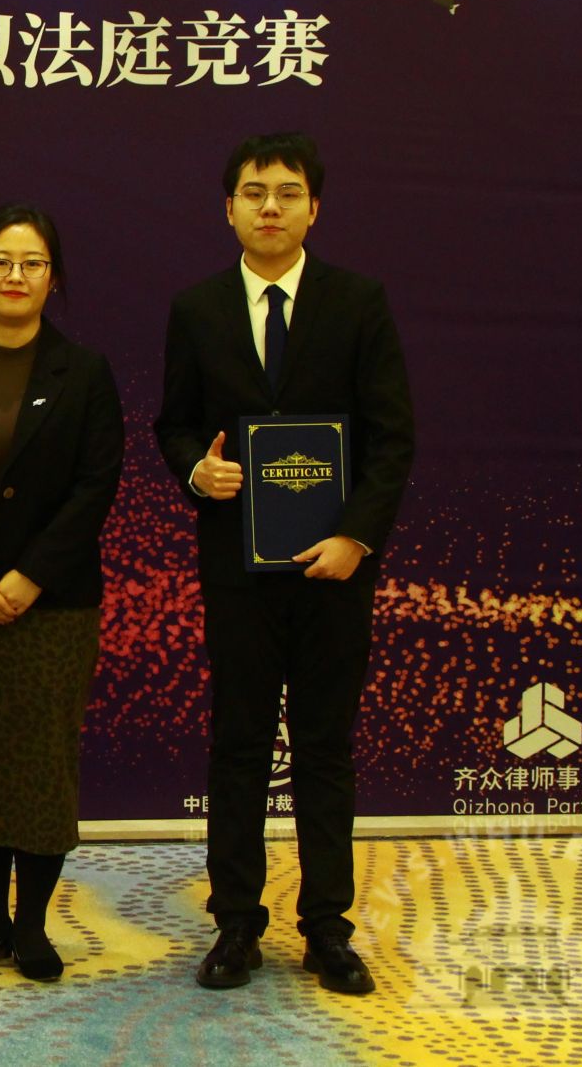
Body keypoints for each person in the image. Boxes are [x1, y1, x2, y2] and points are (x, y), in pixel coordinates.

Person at [153, 132, 414, 997]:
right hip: (238, 570)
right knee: (238, 746)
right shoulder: (198, 309)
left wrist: (356, 537)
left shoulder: (358, 302)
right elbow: (175, 425)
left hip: (333, 571)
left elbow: (391, 438)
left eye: (288, 192)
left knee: (324, 749)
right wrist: (198, 473)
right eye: (255, 192)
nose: (271, 206)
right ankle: (236, 924)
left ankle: (328, 928)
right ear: (228, 208)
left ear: (314, 208)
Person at [0, 204, 123, 982]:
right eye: (1, 262)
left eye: (32, 263)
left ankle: (33, 925)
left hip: (55, 603)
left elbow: (94, 486)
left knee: (42, 763)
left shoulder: (86, 372)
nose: (15, 276)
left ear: (53, 277)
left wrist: (30, 574)